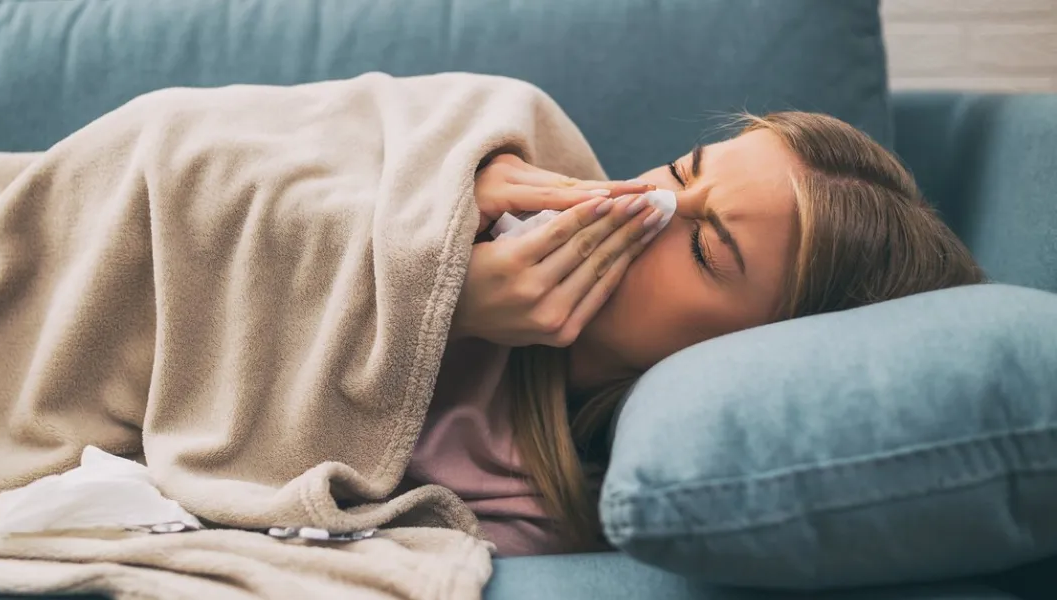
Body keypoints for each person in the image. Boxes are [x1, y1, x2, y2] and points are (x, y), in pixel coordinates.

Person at [401, 112, 985, 556]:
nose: (644, 201)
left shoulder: (523, 505)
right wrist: (438, 234)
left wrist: (437, 310)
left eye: (705, 248)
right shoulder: (501, 151)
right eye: (682, 171)